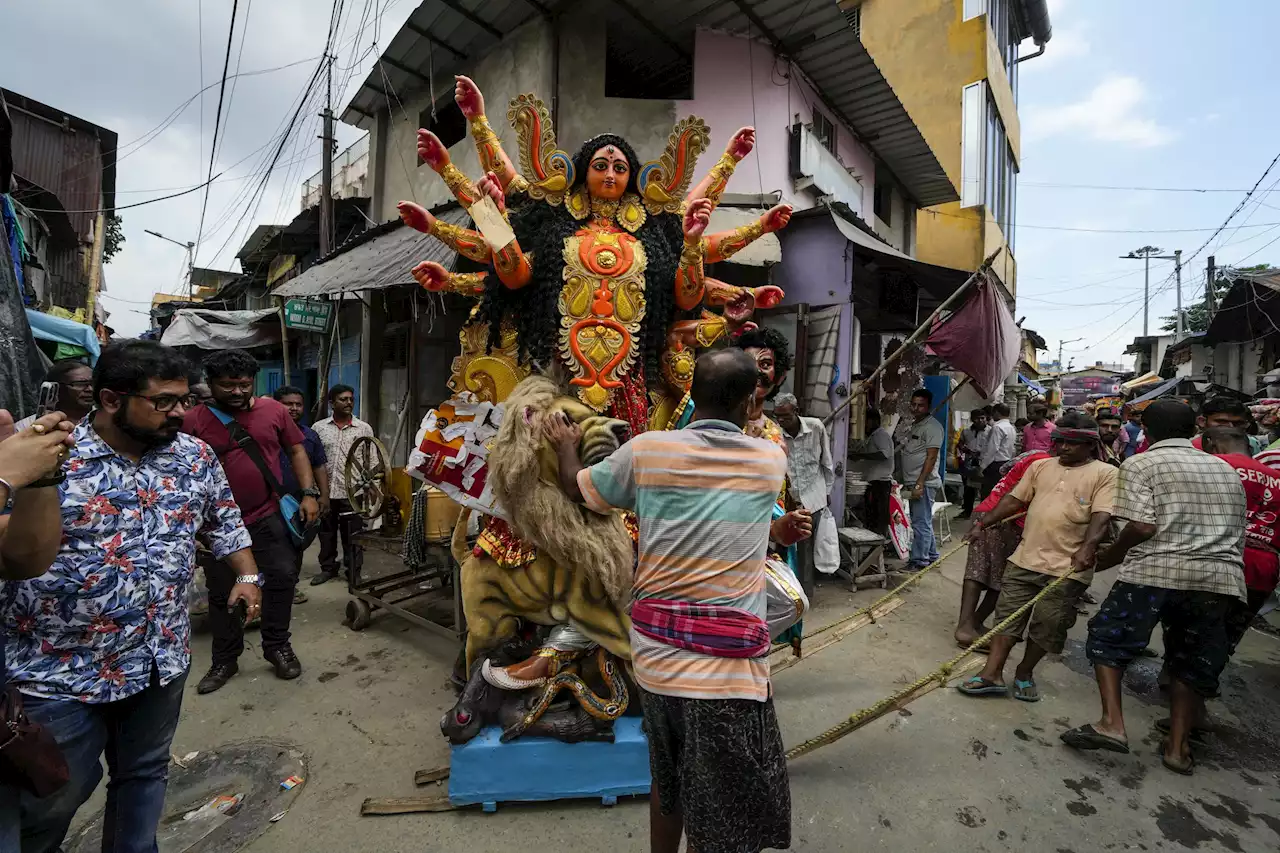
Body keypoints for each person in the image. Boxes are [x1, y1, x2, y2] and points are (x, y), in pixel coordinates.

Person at [0, 340, 262, 852]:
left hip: (158, 656)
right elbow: (12, 551)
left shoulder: (194, 456)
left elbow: (224, 519)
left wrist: (248, 577)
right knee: (50, 797)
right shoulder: (48, 454)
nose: (179, 414)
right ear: (110, 399)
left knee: (143, 775)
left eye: (185, 400)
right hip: (56, 674)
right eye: (163, 402)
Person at [546, 348, 797, 853]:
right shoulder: (769, 459)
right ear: (752, 403)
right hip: (729, 673)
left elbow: (580, 491)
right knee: (724, 802)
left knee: (669, 776)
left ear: (691, 396)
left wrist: (567, 444)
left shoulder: (646, 452)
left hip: (657, 662)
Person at [1061, 399, 1246, 776]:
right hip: (1218, 578)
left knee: (1108, 639)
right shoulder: (1225, 470)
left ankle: (1112, 723)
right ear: (1196, 427)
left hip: (1155, 572)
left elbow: (1142, 526)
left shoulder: (1141, 463)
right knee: (1190, 661)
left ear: (1145, 429)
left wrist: (1109, 557)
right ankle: (1177, 748)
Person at [183, 350, 319, 693]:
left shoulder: (273, 411)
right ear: (210, 384)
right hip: (216, 526)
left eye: (244, 384)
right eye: (228, 386)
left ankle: (277, 646)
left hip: (267, 514)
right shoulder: (193, 420)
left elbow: (296, 450)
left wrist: (309, 493)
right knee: (222, 592)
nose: (237, 392)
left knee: (282, 579)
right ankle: (225, 659)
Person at [958, 416, 1115, 702]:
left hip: (1067, 568)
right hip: (1024, 559)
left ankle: (1024, 672)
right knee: (1006, 619)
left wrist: (1087, 548)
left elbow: (1102, 516)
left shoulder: (1106, 473)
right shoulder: (1040, 466)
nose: (1065, 448)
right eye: (1061, 441)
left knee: (1048, 627)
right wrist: (983, 524)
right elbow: (1014, 500)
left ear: (1090, 445)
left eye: (1073, 443)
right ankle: (992, 673)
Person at [954, 445, 1053, 647]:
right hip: (1000, 517)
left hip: (993, 513)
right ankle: (965, 627)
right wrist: (985, 523)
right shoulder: (1044, 464)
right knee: (992, 574)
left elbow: (1006, 471)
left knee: (996, 575)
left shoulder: (1036, 456)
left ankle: (974, 623)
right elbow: (1016, 497)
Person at [1200, 427, 1280, 655]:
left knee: (1191, 632)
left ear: (1210, 443)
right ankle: (1207, 680)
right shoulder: (1276, 477)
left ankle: (1179, 679)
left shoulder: (1212, 466)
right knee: (1229, 634)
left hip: (1215, 558)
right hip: (1263, 567)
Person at [310, 384, 374, 586]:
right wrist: (314, 490)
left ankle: (353, 572)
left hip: (352, 492)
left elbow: (371, 459)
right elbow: (311, 460)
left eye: (350, 399)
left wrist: (370, 486)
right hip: (325, 492)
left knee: (353, 536)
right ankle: (328, 568)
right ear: (331, 403)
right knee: (326, 534)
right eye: (343, 399)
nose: (348, 403)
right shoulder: (318, 428)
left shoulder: (363, 428)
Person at [773, 393, 838, 577]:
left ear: (797, 411)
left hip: (813, 497)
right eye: (778, 416)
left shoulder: (816, 427)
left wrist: (827, 491)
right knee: (788, 549)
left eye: (786, 416)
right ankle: (791, 590)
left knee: (808, 550)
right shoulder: (775, 433)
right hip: (789, 499)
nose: (781, 420)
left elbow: (826, 462)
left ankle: (806, 593)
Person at [900, 388, 945, 571]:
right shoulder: (916, 425)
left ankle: (919, 561)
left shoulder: (932, 427)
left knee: (920, 523)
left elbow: (931, 457)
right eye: (914, 404)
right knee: (923, 520)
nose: (916, 408)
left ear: (928, 407)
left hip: (924, 483)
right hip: (914, 481)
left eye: (921, 405)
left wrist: (920, 482)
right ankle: (931, 555)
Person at [13, 360, 95, 431]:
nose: (90, 389)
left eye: (93, 383)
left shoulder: (105, 422)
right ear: (56, 388)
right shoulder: (27, 427)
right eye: (80, 384)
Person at [850, 408, 894, 536]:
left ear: (874, 421)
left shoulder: (880, 435)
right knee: (872, 513)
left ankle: (879, 541)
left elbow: (883, 454)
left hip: (880, 481)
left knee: (878, 515)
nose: (864, 425)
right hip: (874, 481)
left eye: (865, 421)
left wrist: (862, 455)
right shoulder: (873, 436)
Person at [1192, 397, 1263, 455]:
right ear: (1202, 421)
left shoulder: (1254, 444)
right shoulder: (1192, 448)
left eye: (1238, 423)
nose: (1230, 427)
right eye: (1222, 422)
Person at [979, 402, 1016, 496]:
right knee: (998, 492)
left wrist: (982, 466)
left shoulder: (997, 427)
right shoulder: (1011, 427)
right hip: (1005, 462)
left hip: (995, 464)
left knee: (988, 493)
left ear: (997, 413)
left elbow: (992, 449)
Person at [958, 408, 988, 518]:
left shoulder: (991, 431)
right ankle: (967, 511)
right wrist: (966, 449)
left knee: (984, 488)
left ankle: (983, 513)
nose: (980, 421)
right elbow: (960, 444)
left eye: (982, 418)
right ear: (972, 419)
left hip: (984, 462)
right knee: (968, 488)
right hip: (970, 461)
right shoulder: (966, 431)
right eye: (977, 418)